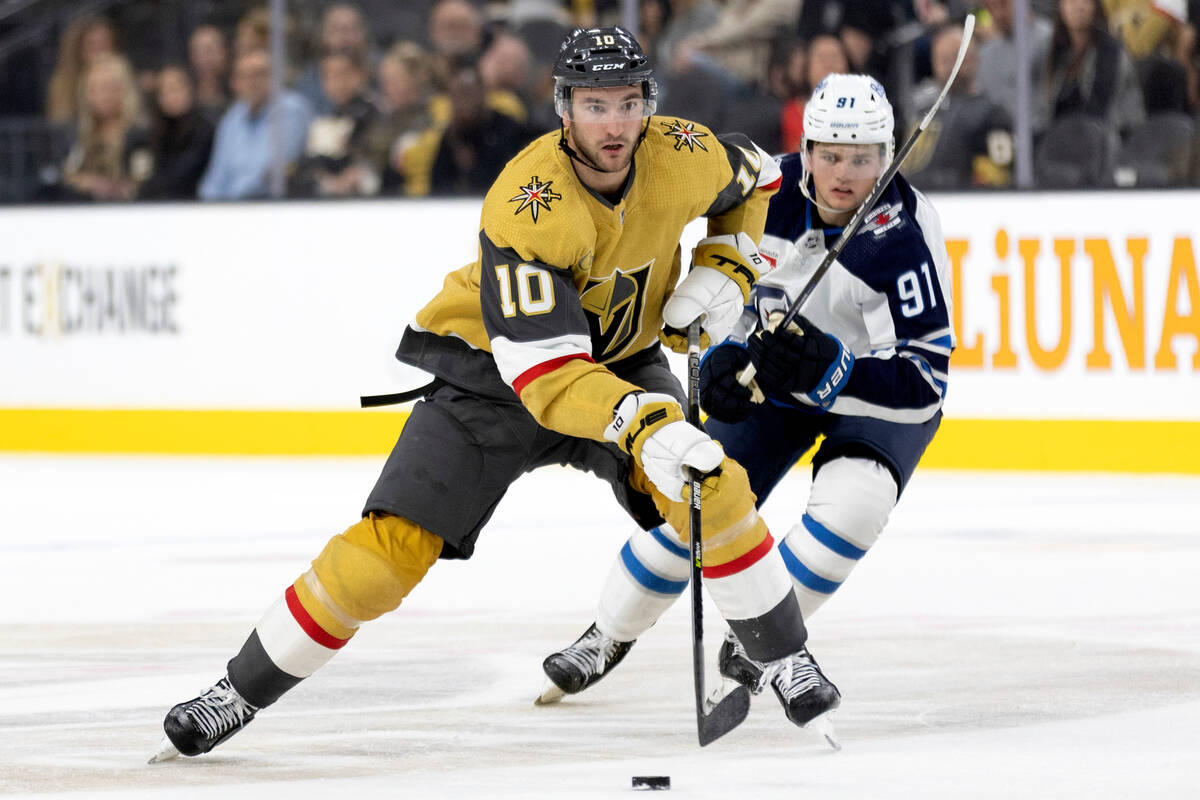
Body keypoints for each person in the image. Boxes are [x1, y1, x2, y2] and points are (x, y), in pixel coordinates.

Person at [150, 26, 838, 763]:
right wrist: (645, 424)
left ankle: (784, 656)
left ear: (648, 104)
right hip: (497, 380)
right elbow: (545, 378)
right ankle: (238, 690)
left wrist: (727, 266)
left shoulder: (684, 152)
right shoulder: (527, 204)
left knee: (711, 486)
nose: (615, 123)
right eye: (595, 104)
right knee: (387, 555)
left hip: (624, 360)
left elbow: (759, 180)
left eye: (628, 103)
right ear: (563, 108)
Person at [538, 73, 953, 708]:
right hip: (776, 380)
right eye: (831, 154)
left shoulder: (903, 236)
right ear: (806, 148)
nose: (844, 174)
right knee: (694, 499)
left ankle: (764, 637)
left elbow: (925, 381)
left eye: (864, 158)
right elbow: (721, 292)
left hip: (869, 394)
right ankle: (607, 634)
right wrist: (725, 362)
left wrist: (832, 372)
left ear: (888, 154)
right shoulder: (765, 195)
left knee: (856, 505)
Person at [197, 48, 313, 200]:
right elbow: (217, 174)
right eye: (246, 76)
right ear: (235, 83)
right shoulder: (232, 118)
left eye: (260, 73)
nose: (254, 82)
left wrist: (230, 202)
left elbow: (272, 173)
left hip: (270, 206)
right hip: (227, 210)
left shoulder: (292, 110)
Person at [137, 64, 215, 200]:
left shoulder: (204, 130)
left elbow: (184, 175)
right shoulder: (156, 131)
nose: (171, 96)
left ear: (190, 90)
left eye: (176, 89)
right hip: (159, 202)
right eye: (164, 91)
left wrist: (147, 187)